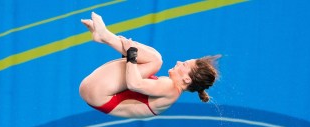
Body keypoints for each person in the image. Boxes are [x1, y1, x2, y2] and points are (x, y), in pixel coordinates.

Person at [79, 12, 220, 118]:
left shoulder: (170, 88)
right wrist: (130, 53)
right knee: (150, 59)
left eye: (184, 64)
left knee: (156, 60)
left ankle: (106, 36)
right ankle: (104, 37)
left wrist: (131, 53)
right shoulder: (168, 90)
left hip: (99, 93)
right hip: (96, 94)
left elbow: (134, 84)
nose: (178, 62)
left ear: (187, 79)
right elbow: (130, 76)